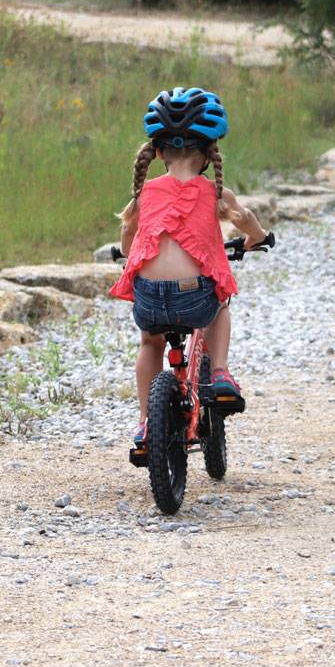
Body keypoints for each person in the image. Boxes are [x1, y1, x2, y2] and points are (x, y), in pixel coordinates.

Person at [109, 87, 269, 447]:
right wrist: (256, 238)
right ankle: (222, 373)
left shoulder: (143, 194)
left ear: (159, 152)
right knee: (219, 306)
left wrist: (125, 252)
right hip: (193, 298)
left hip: (148, 298)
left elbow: (127, 236)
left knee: (150, 343)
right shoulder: (215, 194)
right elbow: (247, 221)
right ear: (210, 155)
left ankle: (147, 424)